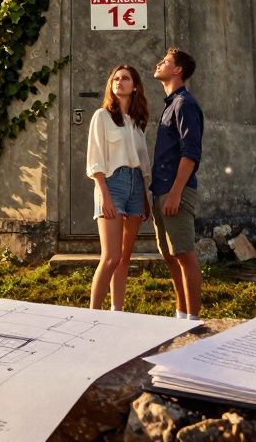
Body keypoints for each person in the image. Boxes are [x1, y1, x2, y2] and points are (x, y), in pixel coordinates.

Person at [85, 64, 151, 311]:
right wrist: (105, 195)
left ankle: (118, 312)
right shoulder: (101, 116)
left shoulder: (136, 123)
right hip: (112, 183)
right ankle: (93, 314)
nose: (119, 82)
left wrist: (145, 198)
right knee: (110, 257)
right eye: (116, 79)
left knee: (124, 258)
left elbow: (142, 164)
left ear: (135, 87)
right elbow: (95, 160)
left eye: (125, 79)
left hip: (136, 186)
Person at [150, 47, 204, 320]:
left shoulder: (184, 104)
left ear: (178, 69)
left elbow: (190, 154)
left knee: (183, 253)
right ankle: (181, 313)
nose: (159, 64)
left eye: (165, 62)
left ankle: (193, 319)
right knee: (170, 256)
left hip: (175, 190)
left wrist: (175, 193)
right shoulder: (170, 104)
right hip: (162, 190)